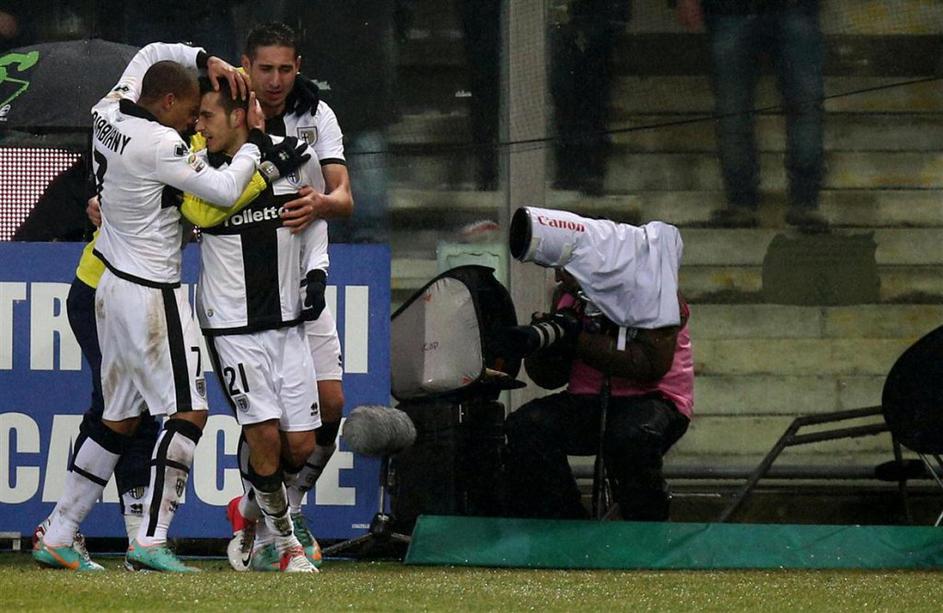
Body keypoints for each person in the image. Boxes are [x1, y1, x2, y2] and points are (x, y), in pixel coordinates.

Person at [32, 41, 308, 572]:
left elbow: (150, 54)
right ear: (166, 102)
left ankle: (60, 531)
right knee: (189, 411)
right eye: (190, 112)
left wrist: (203, 59)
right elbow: (221, 193)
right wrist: (258, 150)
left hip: (110, 285)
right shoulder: (161, 145)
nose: (194, 124)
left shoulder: (107, 111)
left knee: (118, 417)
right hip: (151, 291)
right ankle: (151, 539)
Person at [225, 21, 352, 569]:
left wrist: (320, 204)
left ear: (298, 67)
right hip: (248, 292)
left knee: (332, 405)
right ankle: (273, 527)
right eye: (265, 69)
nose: (275, 80)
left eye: (284, 69)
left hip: (303, 282)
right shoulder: (226, 113)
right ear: (246, 66)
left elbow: (343, 197)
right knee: (266, 425)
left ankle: (275, 508)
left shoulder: (316, 115)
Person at [191, 78, 328, 573]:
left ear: (238, 115)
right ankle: (286, 546)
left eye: (208, 116)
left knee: (302, 445)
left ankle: (248, 510)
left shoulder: (296, 155)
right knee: (264, 436)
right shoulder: (197, 167)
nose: (199, 126)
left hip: (288, 321)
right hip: (231, 325)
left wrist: (317, 270)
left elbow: (315, 214)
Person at [502, 208, 693, 521]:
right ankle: (568, 525)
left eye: (566, 267)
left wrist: (577, 339)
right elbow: (551, 378)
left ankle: (648, 528)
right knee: (527, 426)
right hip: (587, 400)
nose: (559, 276)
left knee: (630, 436)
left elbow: (650, 366)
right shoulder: (568, 295)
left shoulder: (657, 292)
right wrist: (543, 344)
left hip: (656, 400)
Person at [677, 0, 827, 230]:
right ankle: (749, 201)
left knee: (802, 105)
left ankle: (801, 202)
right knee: (734, 110)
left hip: (781, 9)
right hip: (734, 10)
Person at [549, 0, 631, 196]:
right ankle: (570, 167)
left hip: (601, 18)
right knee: (565, 93)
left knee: (594, 93)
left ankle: (590, 169)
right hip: (565, 19)